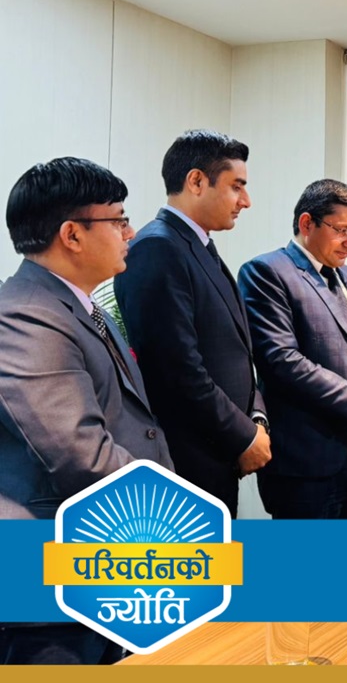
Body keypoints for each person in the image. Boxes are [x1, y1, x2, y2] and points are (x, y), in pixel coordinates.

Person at [0, 157, 172, 664]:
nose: (130, 232)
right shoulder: (25, 316)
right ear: (72, 234)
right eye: (118, 220)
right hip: (52, 573)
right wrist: (175, 521)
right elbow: (81, 455)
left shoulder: (84, 307)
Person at [114, 129, 269, 516]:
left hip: (217, 451)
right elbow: (176, 370)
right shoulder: (157, 247)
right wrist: (243, 436)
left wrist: (256, 418)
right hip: (187, 460)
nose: (246, 201)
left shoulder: (196, 244)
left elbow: (235, 351)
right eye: (237, 187)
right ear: (197, 181)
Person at [239, 180, 347, 519]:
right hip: (308, 460)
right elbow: (282, 360)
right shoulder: (267, 272)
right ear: (307, 223)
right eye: (342, 230)